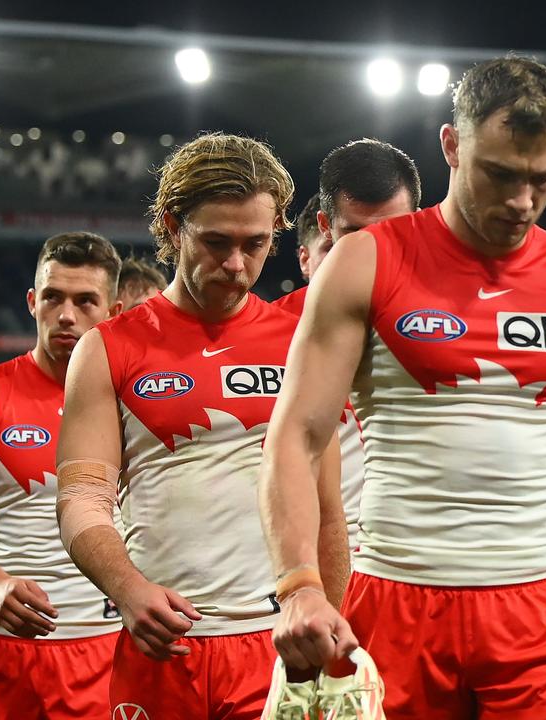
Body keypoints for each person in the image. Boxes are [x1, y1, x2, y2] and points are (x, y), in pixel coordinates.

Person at [260, 56, 546, 719]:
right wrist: (298, 585)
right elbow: (295, 436)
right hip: (401, 602)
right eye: (499, 175)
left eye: (542, 180)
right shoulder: (366, 260)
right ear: (451, 146)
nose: (521, 201)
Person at [55, 133, 346, 719]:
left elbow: (329, 506)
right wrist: (128, 591)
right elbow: (82, 501)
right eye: (216, 242)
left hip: (279, 640)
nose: (237, 265)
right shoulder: (107, 348)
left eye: (255, 243)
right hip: (164, 645)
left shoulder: (299, 343)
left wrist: (330, 621)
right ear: (171, 226)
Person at [0, 232, 123, 718]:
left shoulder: (137, 402)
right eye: (53, 297)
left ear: (113, 312)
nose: (67, 315)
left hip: (109, 647)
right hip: (4, 646)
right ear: (33, 301)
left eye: (85, 301)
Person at [274, 140, 422, 554]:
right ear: (325, 226)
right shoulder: (275, 329)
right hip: (327, 557)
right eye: (353, 235)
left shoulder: (462, 313)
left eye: (389, 232)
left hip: (428, 557)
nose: (371, 252)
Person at [278, 139, 421, 315]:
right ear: (325, 225)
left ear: (416, 222)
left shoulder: (456, 309)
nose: (375, 252)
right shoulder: (275, 327)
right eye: (357, 233)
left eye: (392, 230)